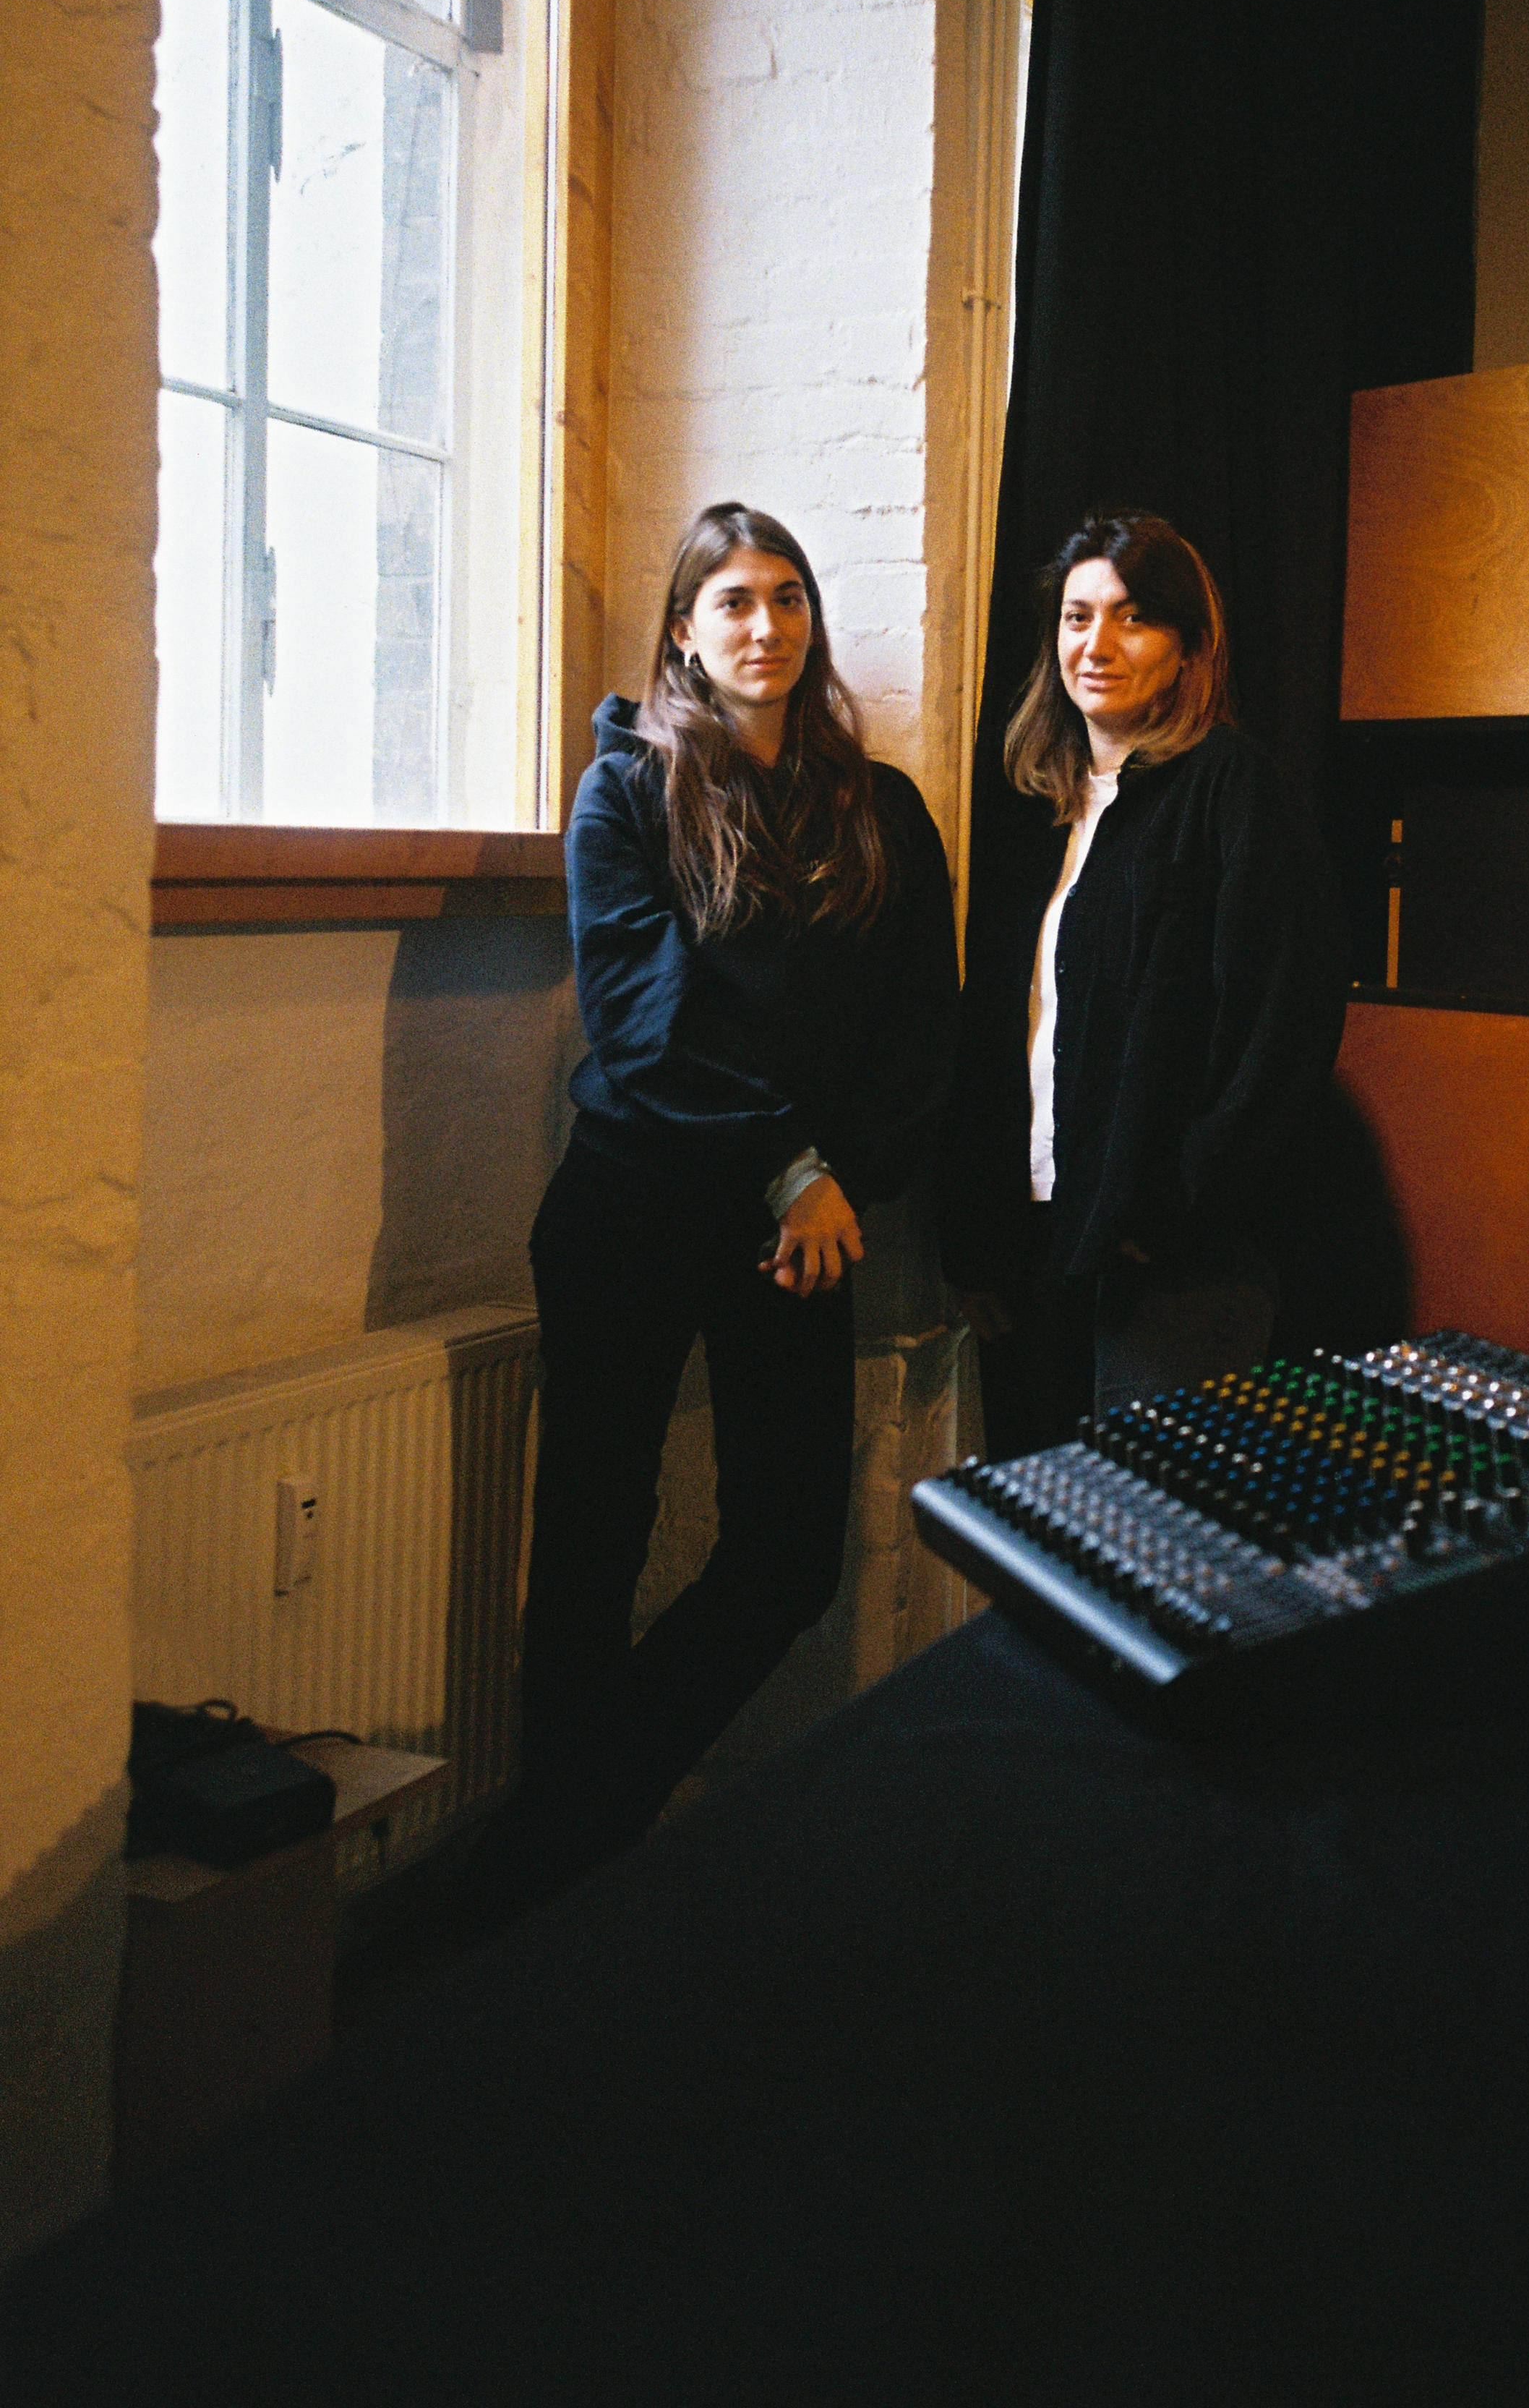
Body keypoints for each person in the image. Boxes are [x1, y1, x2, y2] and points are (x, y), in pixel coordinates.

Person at [470, 503, 957, 1921]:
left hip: (797, 1236)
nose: (766, 624)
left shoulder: (882, 810)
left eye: (788, 597)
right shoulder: (623, 791)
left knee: (788, 1556)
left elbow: (921, 1024)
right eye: (733, 600)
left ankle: (568, 1832)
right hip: (631, 1207)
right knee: (590, 1550)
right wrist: (786, 1163)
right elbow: (644, 1016)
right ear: (684, 631)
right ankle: (559, 1893)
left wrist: (835, 1181)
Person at [944, 511, 1346, 1461]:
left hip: (1172, 1261)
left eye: (1132, 618)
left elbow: (1281, 1026)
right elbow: (995, 1034)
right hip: (1035, 1243)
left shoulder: (1230, 790)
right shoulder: (1033, 809)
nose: (1097, 644)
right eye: (1077, 616)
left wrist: (1173, 1207)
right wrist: (977, 1230)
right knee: (1042, 1524)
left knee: (1150, 1527)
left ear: (1189, 647)